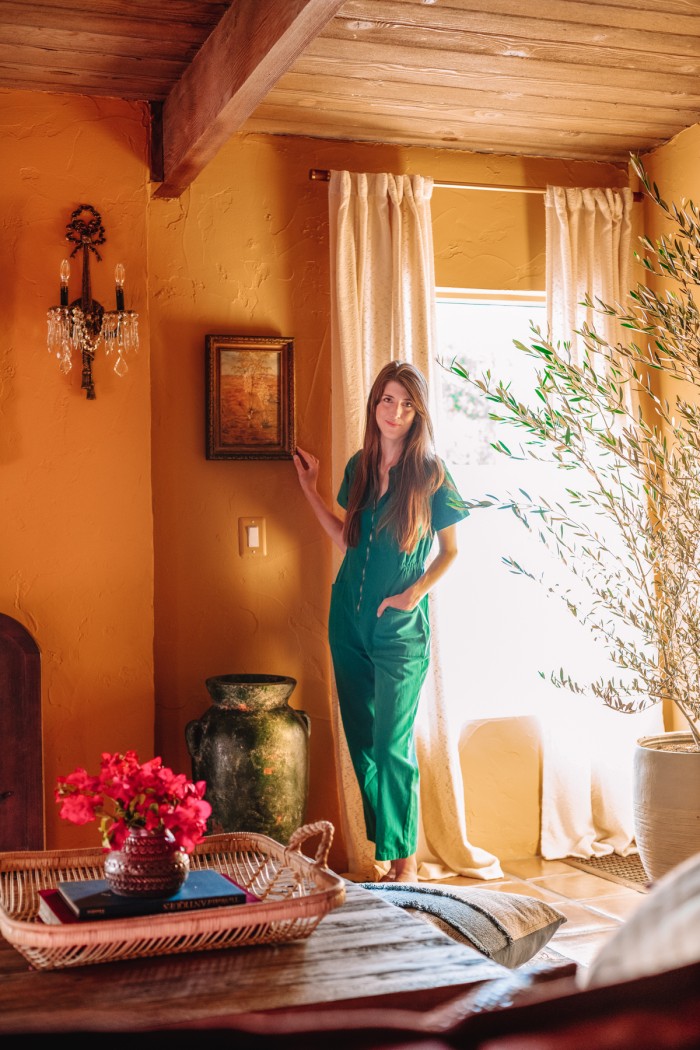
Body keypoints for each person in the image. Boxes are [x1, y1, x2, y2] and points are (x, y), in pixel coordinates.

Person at [294, 360, 468, 883]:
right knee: (364, 743)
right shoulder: (361, 467)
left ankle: (406, 863)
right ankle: (387, 856)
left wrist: (412, 594)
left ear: (418, 413)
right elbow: (346, 538)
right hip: (346, 618)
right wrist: (311, 489)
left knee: (393, 743)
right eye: (387, 400)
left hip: (399, 632)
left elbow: (451, 552)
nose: (395, 411)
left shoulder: (432, 474)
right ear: (375, 406)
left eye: (406, 403)